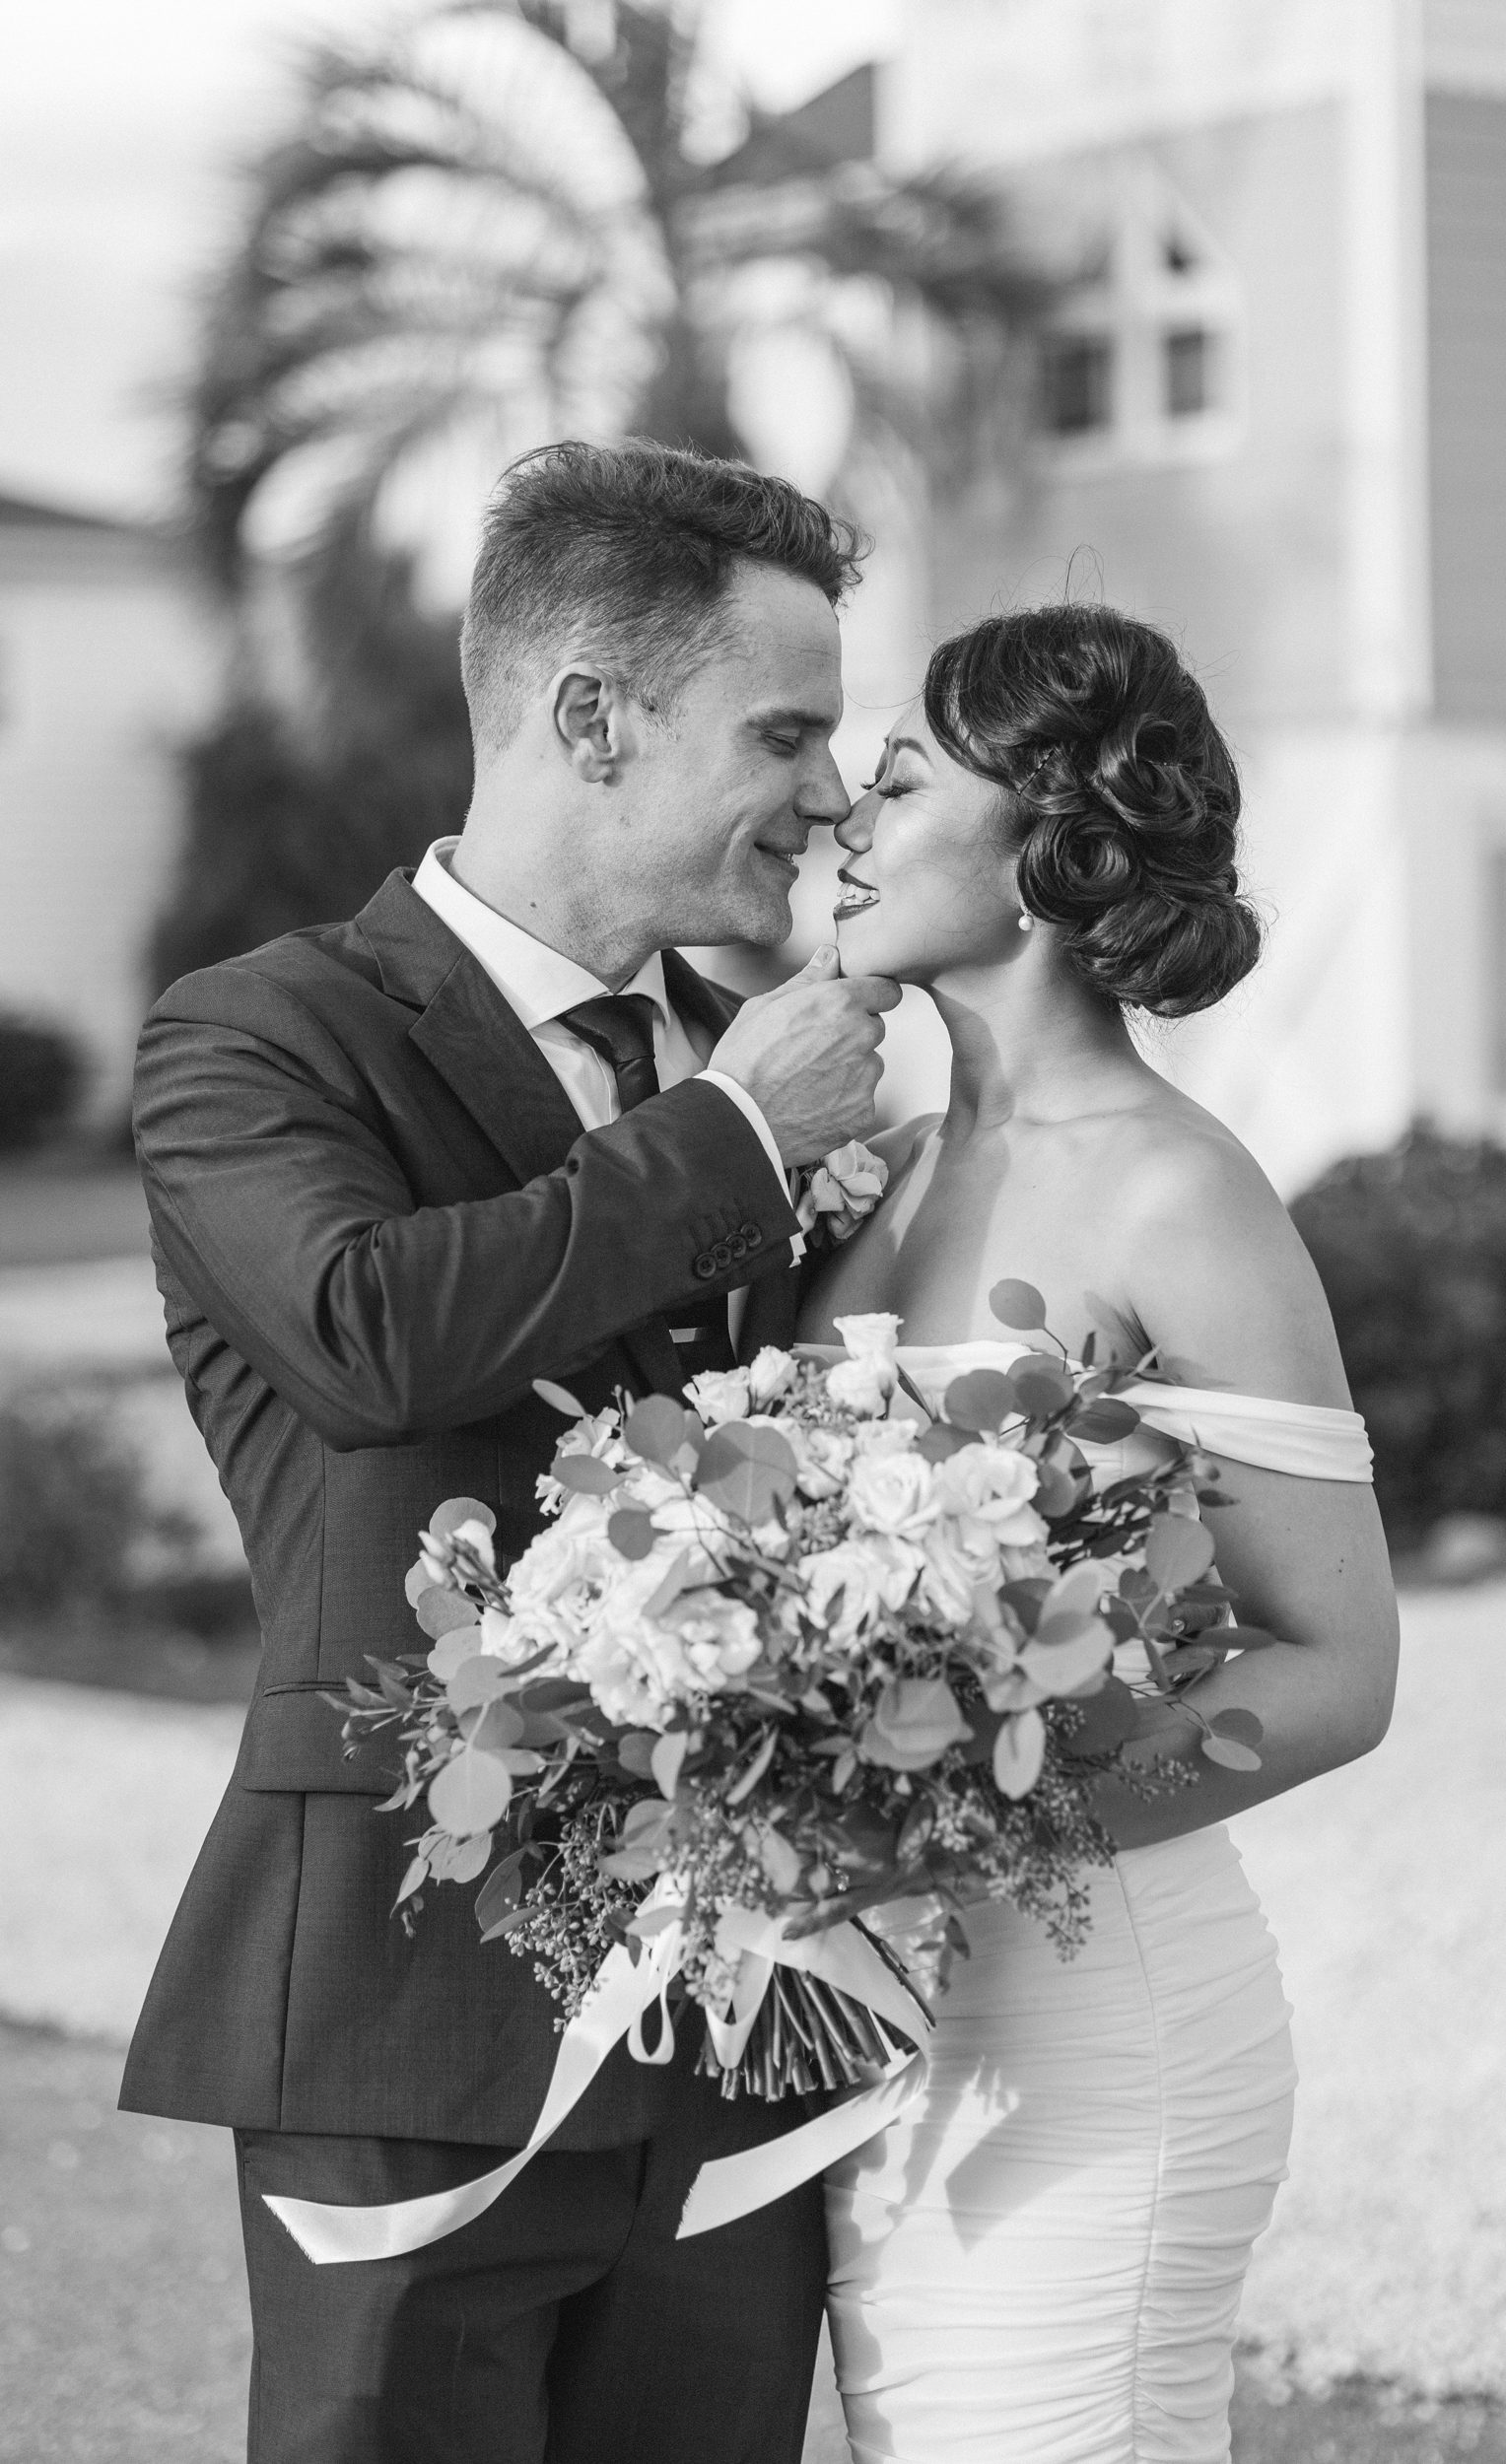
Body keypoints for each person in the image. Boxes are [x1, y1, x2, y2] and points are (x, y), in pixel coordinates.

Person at [120, 439, 903, 2464]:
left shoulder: (769, 1057)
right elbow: (375, 1328)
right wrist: (735, 1142)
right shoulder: (260, 1033)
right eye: (789, 728)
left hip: (731, 2015)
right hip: (400, 1994)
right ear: (591, 717)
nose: (831, 790)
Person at [803, 601, 1400, 2463]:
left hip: (1101, 2020)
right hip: (882, 2028)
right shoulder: (882, 1173)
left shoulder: (1175, 1191)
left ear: (1046, 841)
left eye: (896, 781)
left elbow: (1342, 1666)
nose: (846, 817)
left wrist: (959, 1821)